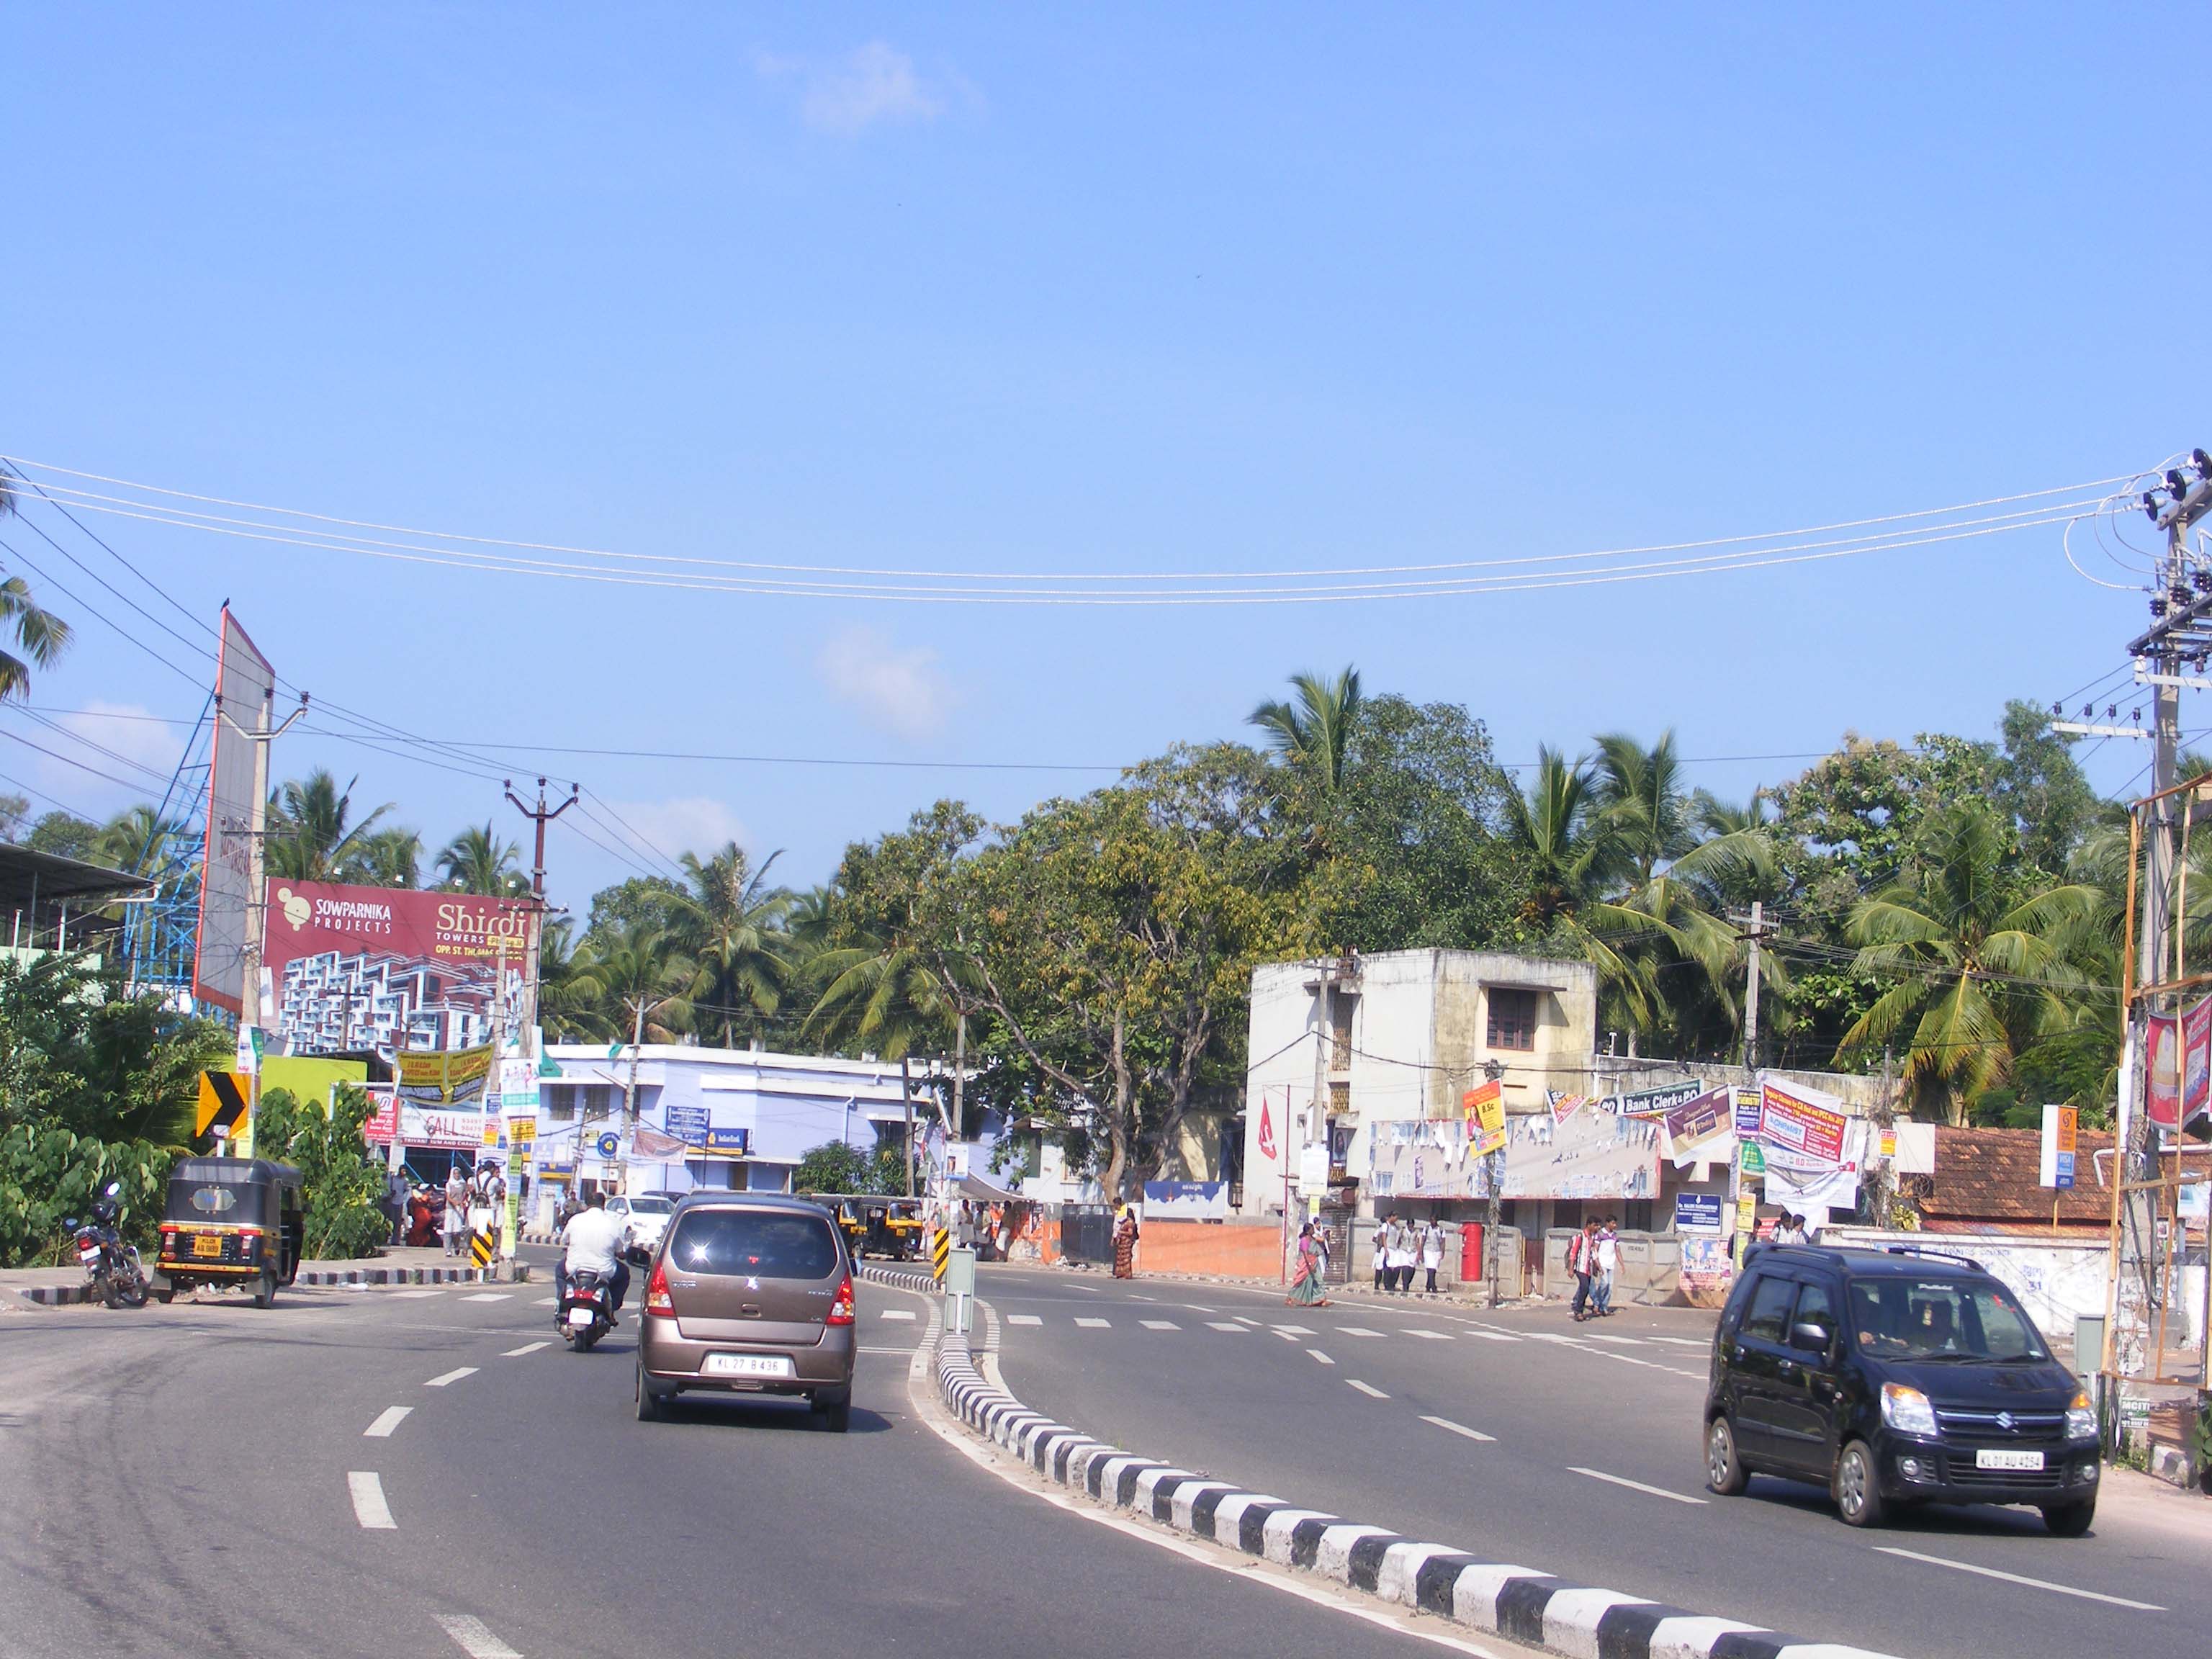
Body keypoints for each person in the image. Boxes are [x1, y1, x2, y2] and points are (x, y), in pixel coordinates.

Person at [555, 1189, 629, 1320]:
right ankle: (612, 1307)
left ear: (586, 1205)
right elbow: (621, 1251)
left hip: (574, 1268)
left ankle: (561, 1301)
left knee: (559, 1271)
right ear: (603, 1205)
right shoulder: (613, 1224)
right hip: (604, 1271)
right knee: (624, 1274)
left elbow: (564, 1241)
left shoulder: (575, 1220)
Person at [1285, 1220, 1331, 1306]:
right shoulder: (1304, 1240)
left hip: (1314, 1262)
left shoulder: (1313, 1239)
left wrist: (1325, 1235)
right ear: (1307, 1231)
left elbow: (1318, 1246)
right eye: (1312, 1229)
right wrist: (1310, 1265)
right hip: (1307, 1264)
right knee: (1302, 1282)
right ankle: (1290, 1298)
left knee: (1319, 1280)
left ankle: (1321, 1299)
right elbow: (1306, 1254)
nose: (1313, 1231)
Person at [1568, 1218, 1599, 1321]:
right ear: (1589, 1225)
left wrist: (1597, 1267)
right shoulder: (1580, 1237)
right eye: (1595, 1225)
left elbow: (1593, 1253)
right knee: (1585, 1287)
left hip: (1588, 1268)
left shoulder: (1592, 1238)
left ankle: (1578, 1308)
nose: (1596, 1228)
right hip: (1580, 1268)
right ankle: (1578, 1311)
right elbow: (1573, 1253)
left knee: (1585, 1290)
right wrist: (1571, 1269)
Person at [1593, 1217, 1619, 1317]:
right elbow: (1595, 1249)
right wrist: (1596, 1263)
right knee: (1604, 1283)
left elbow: (1617, 1250)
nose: (1615, 1225)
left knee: (1610, 1287)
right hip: (1602, 1263)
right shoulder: (1600, 1234)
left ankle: (1604, 1307)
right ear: (1607, 1223)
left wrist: (1621, 1263)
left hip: (1611, 1264)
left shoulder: (1615, 1236)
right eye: (1613, 1223)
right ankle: (1596, 1303)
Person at [442, 1166, 469, 1257]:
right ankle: (448, 1250)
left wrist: (462, 1201)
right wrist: (455, 1203)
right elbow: (448, 1197)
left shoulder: (463, 1183)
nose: (457, 1175)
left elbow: (466, 1192)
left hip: (459, 1209)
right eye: (455, 1174)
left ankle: (457, 1246)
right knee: (448, 1229)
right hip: (450, 1208)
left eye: (458, 1173)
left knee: (457, 1231)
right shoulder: (449, 1184)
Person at [1111, 1206, 1139, 1278]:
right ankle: (1120, 1273)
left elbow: (1130, 1233)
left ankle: (1127, 1274)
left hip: (1127, 1243)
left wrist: (1121, 1232)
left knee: (1126, 1259)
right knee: (1121, 1258)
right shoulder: (1125, 1221)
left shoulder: (1130, 1223)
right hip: (1122, 1243)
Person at [1419, 1218, 1445, 1295]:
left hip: (1436, 1251)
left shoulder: (1441, 1229)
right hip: (1427, 1250)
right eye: (1431, 1220)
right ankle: (1433, 1286)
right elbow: (1423, 1240)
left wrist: (1443, 1251)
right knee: (1429, 1268)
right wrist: (1421, 1252)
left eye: (1434, 1220)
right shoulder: (1426, 1228)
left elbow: (1443, 1241)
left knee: (1434, 1268)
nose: (1432, 1222)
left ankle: (1428, 1286)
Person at [1370, 1218, 1388, 1291]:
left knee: (1380, 1268)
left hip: (1382, 1249)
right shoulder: (1381, 1230)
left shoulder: (1379, 1230)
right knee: (1381, 1267)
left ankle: (1378, 1285)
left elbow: (1374, 1239)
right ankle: (1379, 1284)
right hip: (1382, 1250)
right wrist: (1380, 1243)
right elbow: (1374, 1239)